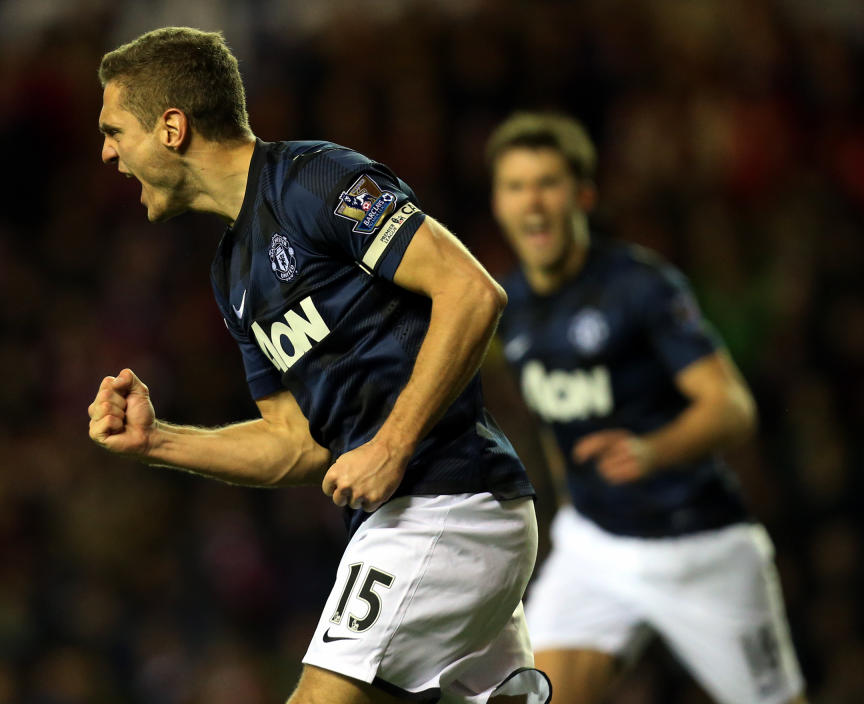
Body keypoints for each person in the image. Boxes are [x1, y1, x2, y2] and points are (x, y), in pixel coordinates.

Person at [87, 27, 550, 704]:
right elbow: (297, 444)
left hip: (451, 501)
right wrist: (159, 441)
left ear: (172, 127)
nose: (106, 152)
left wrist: (391, 445)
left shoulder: (316, 181)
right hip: (408, 517)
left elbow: (472, 291)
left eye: (114, 130)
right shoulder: (232, 271)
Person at [485, 111, 808, 704]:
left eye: (548, 183)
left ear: (583, 194)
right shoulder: (513, 305)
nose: (532, 202)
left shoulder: (640, 286)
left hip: (699, 547)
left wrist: (652, 449)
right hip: (596, 546)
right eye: (515, 186)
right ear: (499, 204)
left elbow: (732, 406)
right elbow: (560, 433)